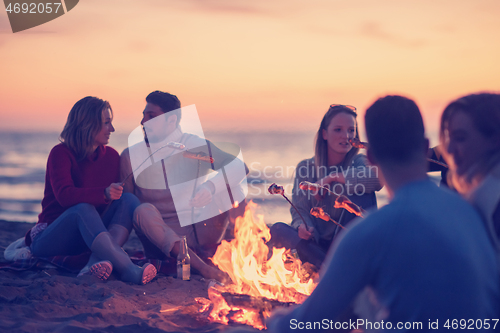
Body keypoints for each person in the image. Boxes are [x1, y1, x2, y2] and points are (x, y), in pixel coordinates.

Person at [266, 95, 499, 332]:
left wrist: (270, 319)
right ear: (424, 147)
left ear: (371, 158)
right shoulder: (473, 216)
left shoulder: (371, 233)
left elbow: (302, 324)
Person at [26, 96, 157, 285]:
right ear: (88, 124)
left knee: (128, 200)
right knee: (83, 209)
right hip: (51, 238)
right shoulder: (60, 153)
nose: (112, 129)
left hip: (89, 236)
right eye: (106, 123)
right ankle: (129, 270)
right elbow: (64, 196)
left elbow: (115, 205)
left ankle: (93, 263)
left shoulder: (111, 156)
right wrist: (103, 193)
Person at [120, 91, 247, 282]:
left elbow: (239, 166)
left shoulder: (192, 146)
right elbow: (126, 206)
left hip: (196, 235)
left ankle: (246, 255)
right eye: (144, 115)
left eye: (151, 116)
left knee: (233, 189)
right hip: (158, 239)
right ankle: (203, 269)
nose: (143, 121)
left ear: (171, 121)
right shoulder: (131, 155)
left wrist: (209, 188)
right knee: (141, 209)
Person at [269, 104, 382, 268]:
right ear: (324, 134)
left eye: (351, 130)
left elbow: (378, 179)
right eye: (338, 130)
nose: (346, 136)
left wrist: (332, 178)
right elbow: (299, 209)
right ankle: (328, 269)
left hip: (351, 249)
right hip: (318, 249)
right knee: (278, 229)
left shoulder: (359, 162)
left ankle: (340, 269)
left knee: (362, 191)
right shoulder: (305, 168)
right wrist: (302, 226)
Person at [440, 93, 500, 263]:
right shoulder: (476, 195)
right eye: (448, 138)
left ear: (495, 140)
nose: (449, 149)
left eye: (460, 138)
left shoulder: (492, 201)